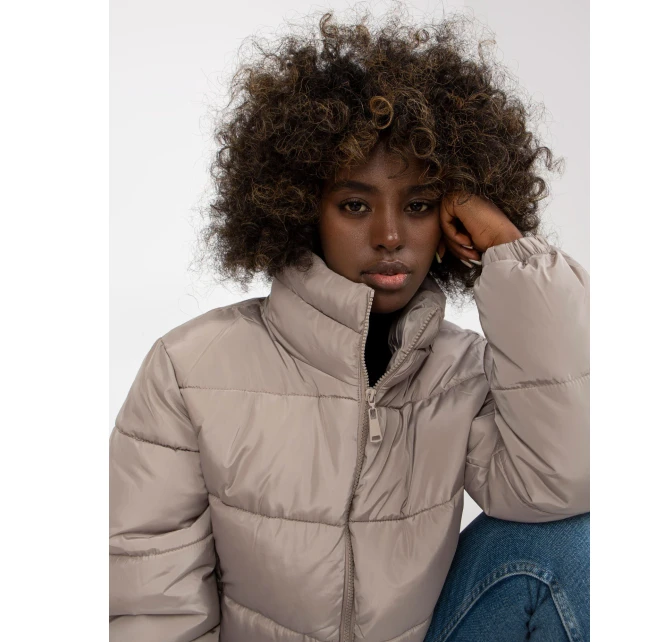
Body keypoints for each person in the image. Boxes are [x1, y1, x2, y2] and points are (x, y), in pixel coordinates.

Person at [109, 5, 589, 641]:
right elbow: (153, 605)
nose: (390, 235)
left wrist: (509, 252)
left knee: (573, 542)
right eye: (356, 205)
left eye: (420, 205)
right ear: (301, 208)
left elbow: (563, 483)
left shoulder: (462, 370)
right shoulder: (189, 368)